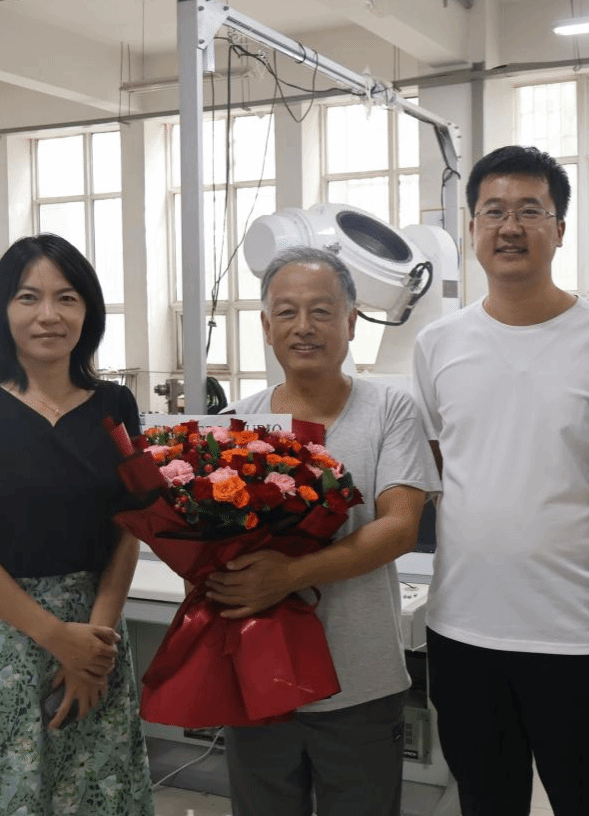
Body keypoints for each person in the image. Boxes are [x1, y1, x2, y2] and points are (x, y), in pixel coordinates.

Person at [412, 144, 589, 816]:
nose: (510, 227)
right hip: (463, 632)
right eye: (493, 211)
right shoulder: (438, 345)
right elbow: (440, 471)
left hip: (577, 633)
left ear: (560, 228)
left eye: (529, 211)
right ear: (472, 228)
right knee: (486, 802)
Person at [202, 246, 440, 816]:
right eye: (286, 312)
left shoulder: (390, 411)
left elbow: (399, 527)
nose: (303, 327)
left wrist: (290, 575)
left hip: (359, 679)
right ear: (266, 327)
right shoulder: (234, 425)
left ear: (351, 322)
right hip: (259, 678)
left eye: (322, 311)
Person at [0, 234, 154, 815]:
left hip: (96, 638)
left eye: (66, 298)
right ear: (2, 310)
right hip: (2, 641)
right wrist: (57, 638)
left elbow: (129, 530)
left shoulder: (115, 405)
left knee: (97, 796)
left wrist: (93, 646)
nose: (49, 315)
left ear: (88, 311)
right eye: (28, 297)